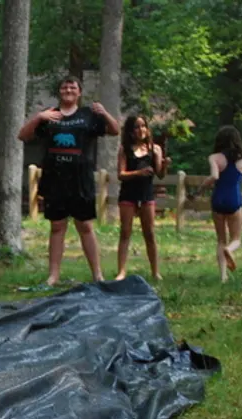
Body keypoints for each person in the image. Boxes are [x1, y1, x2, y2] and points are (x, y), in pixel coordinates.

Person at [18, 76, 121, 286]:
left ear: (79, 92)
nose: (68, 89)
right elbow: (23, 135)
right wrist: (39, 117)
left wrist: (104, 113)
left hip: (80, 178)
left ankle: (97, 275)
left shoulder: (88, 115)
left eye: (72, 87)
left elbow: (115, 130)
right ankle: (53, 276)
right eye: (64, 86)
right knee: (57, 226)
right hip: (54, 178)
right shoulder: (49, 115)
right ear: (59, 91)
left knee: (85, 225)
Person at [114, 115, 168, 281]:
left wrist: (165, 165)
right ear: (131, 131)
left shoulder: (154, 149)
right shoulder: (125, 149)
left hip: (146, 194)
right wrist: (139, 173)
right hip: (128, 194)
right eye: (137, 127)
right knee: (125, 232)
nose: (141, 130)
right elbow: (121, 174)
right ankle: (121, 272)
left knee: (149, 233)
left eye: (143, 126)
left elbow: (160, 174)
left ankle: (155, 272)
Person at [201, 125, 242, 283]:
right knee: (236, 238)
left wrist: (202, 187)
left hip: (218, 200)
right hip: (234, 201)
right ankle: (229, 250)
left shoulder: (214, 158)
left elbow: (214, 177)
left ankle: (223, 276)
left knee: (220, 239)